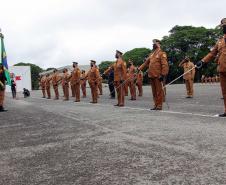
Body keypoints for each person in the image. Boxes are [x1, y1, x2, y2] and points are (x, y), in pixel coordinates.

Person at [197, 18, 226, 117]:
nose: (223, 27)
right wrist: (203, 61)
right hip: (222, 69)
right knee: (224, 92)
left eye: (225, 25)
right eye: (222, 26)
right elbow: (212, 53)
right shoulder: (220, 41)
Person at [138, 39, 169, 110]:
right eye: (153, 43)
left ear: (158, 44)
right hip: (151, 75)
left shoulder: (162, 53)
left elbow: (165, 65)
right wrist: (139, 68)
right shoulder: (151, 54)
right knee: (154, 92)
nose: (153, 44)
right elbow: (146, 63)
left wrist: (163, 74)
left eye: (154, 43)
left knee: (159, 91)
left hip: (158, 75)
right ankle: (155, 104)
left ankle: (159, 105)